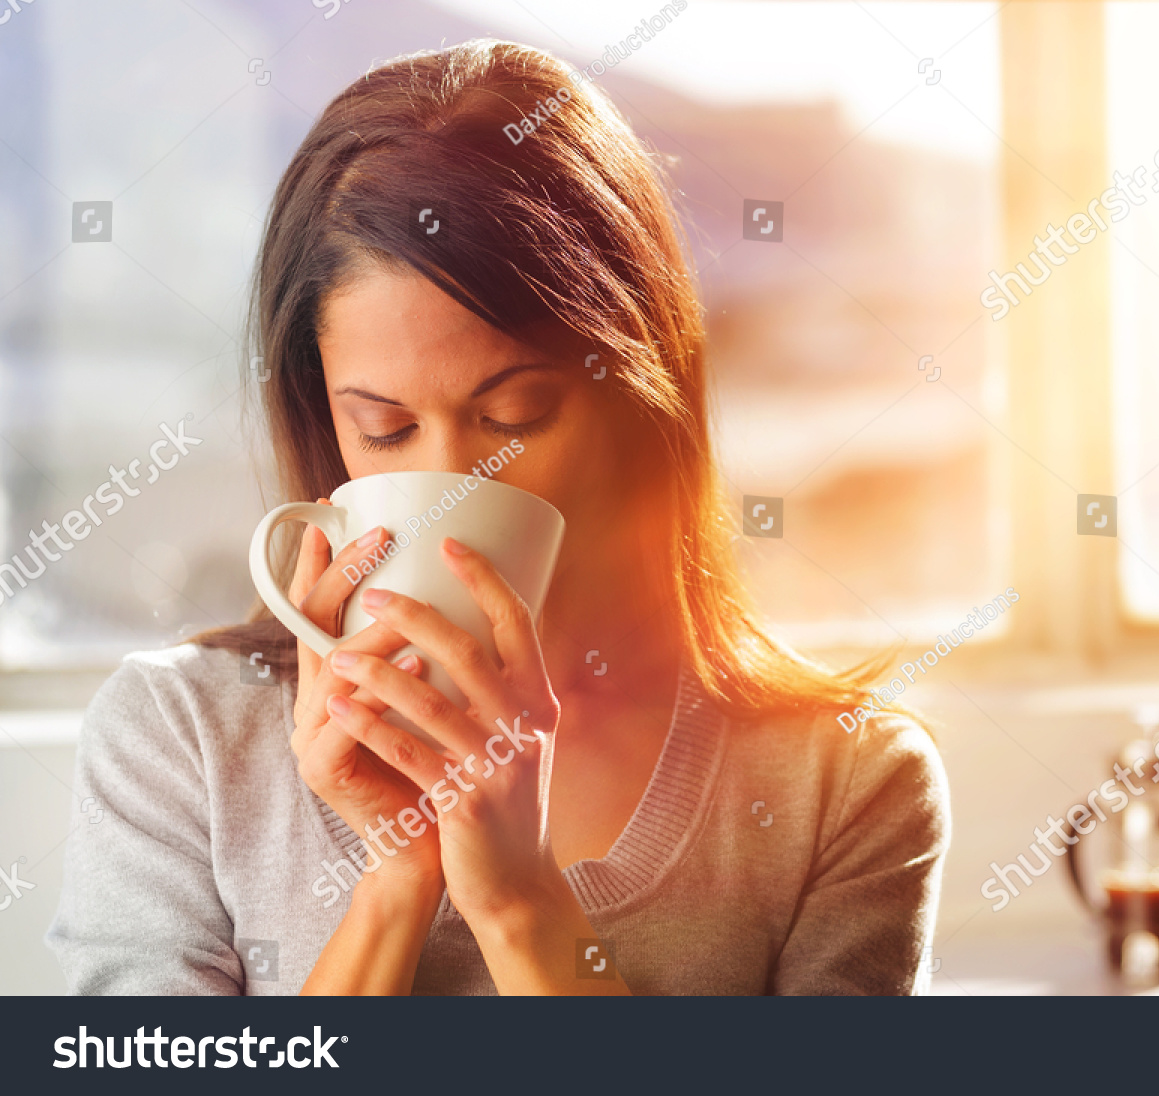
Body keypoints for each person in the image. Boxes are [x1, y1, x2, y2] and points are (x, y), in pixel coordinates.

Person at [46, 39, 949, 995]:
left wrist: (520, 907)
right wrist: (397, 883)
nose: (453, 484)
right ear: (325, 420)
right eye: (385, 428)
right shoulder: (180, 741)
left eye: (513, 418)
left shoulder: (844, 784)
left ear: (635, 401)